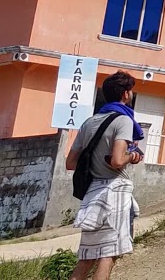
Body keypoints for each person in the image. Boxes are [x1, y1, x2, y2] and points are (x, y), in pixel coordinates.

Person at [67, 72, 144, 280]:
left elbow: (70, 162)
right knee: (108, 254)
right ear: (126, 94)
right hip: (115, 191)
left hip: (92, 193)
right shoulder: (123, 121)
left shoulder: (89, 122)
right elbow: (118, 160)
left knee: (87, 257)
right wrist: (132, 156)